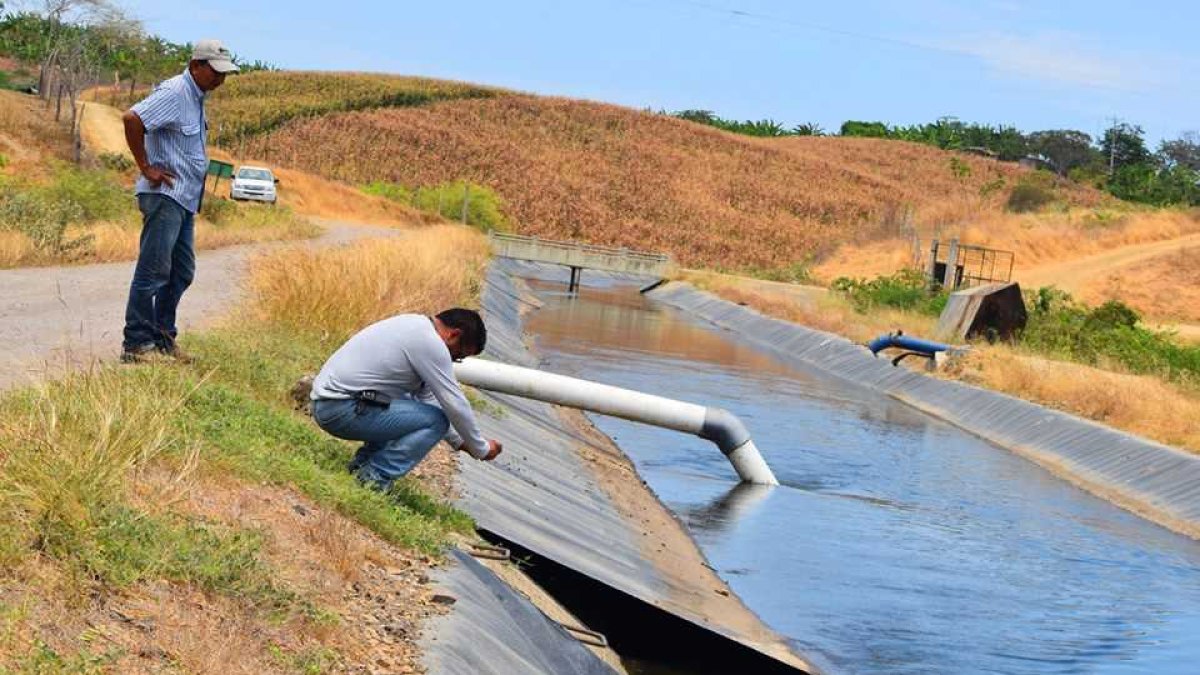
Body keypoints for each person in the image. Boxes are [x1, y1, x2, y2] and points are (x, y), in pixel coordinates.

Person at [120, 39, 239, 363]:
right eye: (215, 72)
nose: (220, 80)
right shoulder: (175, 92)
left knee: (181, 272)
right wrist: (146, 167)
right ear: (195, 66)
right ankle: (136, 344)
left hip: (184, 200)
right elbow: (132, 119)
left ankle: (162, 338)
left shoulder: (197, 97)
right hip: (165, 196)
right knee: (154, 271)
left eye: (224, 74)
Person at [310, 308, 503, 491]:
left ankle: (362, 465)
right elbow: (455, 403)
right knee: (436, 420)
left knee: (410, 405)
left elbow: (428, 399)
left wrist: (460, 441)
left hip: (328, 403)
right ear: (454, 335)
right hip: (340, 410)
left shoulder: (413, 325)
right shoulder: (430, 343)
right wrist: (481, 448)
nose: (452, 360)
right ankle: (374, 477)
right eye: (459, 355)